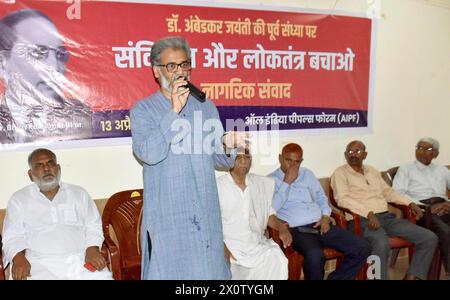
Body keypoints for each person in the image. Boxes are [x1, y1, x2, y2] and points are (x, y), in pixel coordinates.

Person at [131, 36, 247, 279]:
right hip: (168, 218)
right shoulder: (143, 110)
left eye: (184, 65)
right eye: (171, 66)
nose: (180, 71)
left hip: (204, 212)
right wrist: (173, 111)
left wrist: (227, 146)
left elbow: (221, 161)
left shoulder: (205, 106)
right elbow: (148, 154)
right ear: (156, 71)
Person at [331, 140, 438, 280]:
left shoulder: (372, 171)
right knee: (381, 244)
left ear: (365, 154)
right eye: (349, 152)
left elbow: (388, 192)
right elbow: (342, 199)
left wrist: (410, 203)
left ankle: (412, 276)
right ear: (345, 154)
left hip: (385, 217)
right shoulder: (340, 173)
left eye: (357, 151)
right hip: (361, 220)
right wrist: (368, 213)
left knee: (429, 237)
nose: (353, 155)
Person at [1, 148, 112, 280]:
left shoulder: (79, 194)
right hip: (38, 263)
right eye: (39, 165)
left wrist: (92, 248)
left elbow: (93, 225)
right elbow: (12, 236)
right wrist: (18, 258)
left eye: (50, 163)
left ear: (58, 168)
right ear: (30, 175)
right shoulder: (19, 199)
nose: (46, 168)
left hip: (79, 259)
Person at [269, 143, 371, 280]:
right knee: (315, 255)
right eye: (288, 160)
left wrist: (325, 216)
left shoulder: (307, 174)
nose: (293, 165)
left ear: (301, 161)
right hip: (296, 230)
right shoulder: (270, 180)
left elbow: (321, 198)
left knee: (362, 246)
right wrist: (286, 182)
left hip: (320, 225)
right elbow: (271, 209)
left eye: (297, 161)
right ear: (280, 158)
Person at [0, 9, 92, 144]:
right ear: (3, 63)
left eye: (60, 54)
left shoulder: (80, 117)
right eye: (38, 52)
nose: (54, 67)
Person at [217, 152, 291, 280]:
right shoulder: (218, 187)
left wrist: (282, 228)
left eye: (247, 157)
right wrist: (224, 250)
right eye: (238, 157)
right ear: (227, 160)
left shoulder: (259, 184)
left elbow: (268, 215)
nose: (244, 161)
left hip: (255, 245)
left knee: (277, 259)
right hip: (230, 247)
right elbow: (210, 225)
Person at [393, 137, 450, 278]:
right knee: (444, 230)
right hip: (421, 210)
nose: (422, 152)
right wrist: (424, 206)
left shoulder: (442, 170)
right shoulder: (406, 169)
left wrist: (448, 203)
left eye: (427, 149)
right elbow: (397, 193)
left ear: (435, 153)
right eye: (419, 148)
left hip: (444, 205)